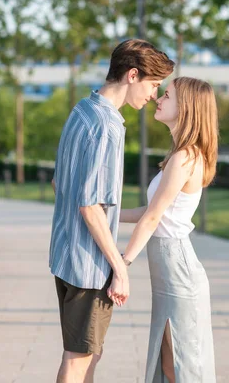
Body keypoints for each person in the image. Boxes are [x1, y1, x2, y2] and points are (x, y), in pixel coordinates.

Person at [49, 39, 174, 383]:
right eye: (152, 85)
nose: (153, 95)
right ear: (133, 75)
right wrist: (119, 267)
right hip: (88, 265)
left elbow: (59, 185)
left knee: (88, 355)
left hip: (65, 254)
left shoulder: (81, 110)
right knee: (79, 360)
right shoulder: (108, 127)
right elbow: (90, 207)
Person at [120, 77, 218, 383]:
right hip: (170, 273)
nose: (158, 99)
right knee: (169, 364)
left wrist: (122, 264)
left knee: (179, 365)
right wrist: (101, 214)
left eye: (167, 95)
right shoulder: (182, 155)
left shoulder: (185, 157)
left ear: (186, 108)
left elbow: (152, 220)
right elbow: (149, 214)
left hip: (179, 273)